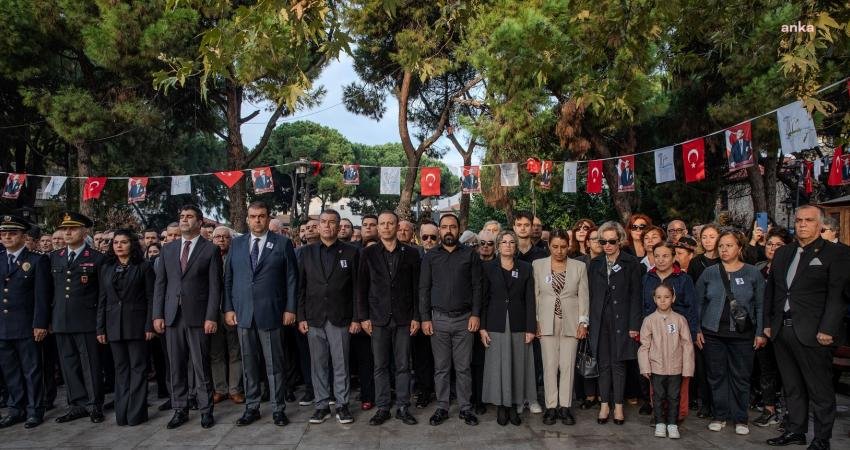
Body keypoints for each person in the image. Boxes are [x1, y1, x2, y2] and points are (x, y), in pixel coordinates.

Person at [764, 206, 850, 449]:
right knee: (792, 386)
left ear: (820, 224)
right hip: (782, 330)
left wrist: (828, 329)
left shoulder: (836, 253)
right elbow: (772, 290)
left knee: (820, 389)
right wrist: (768, 324)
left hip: (815, 333)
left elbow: (838, 296)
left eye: (808, 220)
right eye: (799, 220)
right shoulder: (783, 253)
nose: (802, 224)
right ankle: (795, 431)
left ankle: (822, 439)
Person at [224, 201, 298, 427]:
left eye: (261, 216)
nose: (257, 220)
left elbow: (292, 280)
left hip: (272, 312)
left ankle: (278, 408)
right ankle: (252, 407)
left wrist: (290, 308)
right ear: (247, 218)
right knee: (249, 364)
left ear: (268, 217)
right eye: (253, 216)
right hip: (243, 314)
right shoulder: (236, 245)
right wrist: (228, 308)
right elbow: (228, 279)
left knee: (275, 364)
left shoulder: (282, 243)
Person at [153, 205, 222, 430]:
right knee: (176, 366)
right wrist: (158, 314)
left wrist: (211, 316)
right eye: (181, 216)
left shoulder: (210, 250)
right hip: (172, 315)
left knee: (200, 364)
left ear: (199, 222)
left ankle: (205, 410)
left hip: (199, 317)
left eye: (189, 217)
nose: (184, 220)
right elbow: (160, 285)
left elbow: (215, 288)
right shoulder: (168, 249)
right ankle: (180, 409)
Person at [695, 231, 765, 436]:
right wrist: (697, 329)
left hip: (743, 335)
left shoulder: (753, 273)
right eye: (721, 246)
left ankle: (741, 418)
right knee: (716, 376)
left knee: (741, 376)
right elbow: (698, 303)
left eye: (729, 245)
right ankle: (719, 416)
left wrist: (760, 332)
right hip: (713, 333)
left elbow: (761, 306)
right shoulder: (709, 272)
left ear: (739, 248)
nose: (724, 250)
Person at [297, 209, 360, 425]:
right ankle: (322, 405)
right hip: (314, 317)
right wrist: (301, 316)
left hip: (341, 317)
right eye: (323, 222)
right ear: (318, 225)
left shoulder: (352, 252)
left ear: (338, 225)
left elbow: (357, 289)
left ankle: (342, 405)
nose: (327, 226)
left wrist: (356, 318)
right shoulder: (306, 252)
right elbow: (301, 287)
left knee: (341, 364)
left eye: (332, 222)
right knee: (318, 364)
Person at [358, 211, 420, 426]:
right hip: (377, 318)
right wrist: (363, 317)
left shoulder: (411, 254)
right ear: (378, 227)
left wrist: (416, 317)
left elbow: (416, 288)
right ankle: (383, 407)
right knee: (380, 365)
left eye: (390, 223)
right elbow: (361, 288)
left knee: (403, 365)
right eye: (382, 224)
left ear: (396, 226)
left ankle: (403, 406)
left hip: (404, 318)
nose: (385, 227)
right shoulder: (368, 253)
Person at [420, 213, 482, 426]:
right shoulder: (430, 256)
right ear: (439, 230)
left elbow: (477, 287)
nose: (448, 230)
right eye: (444, 227)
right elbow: (424, 289)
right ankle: (442, 407)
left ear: (458, 229)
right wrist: (425, 318)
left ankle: (465, 408)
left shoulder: (470, 255)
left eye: (452, 227)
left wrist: (475, 314)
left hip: (465, 319)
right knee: (441, 367)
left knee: (463, 367)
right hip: (438, 320)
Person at [50, 212, 106, 424]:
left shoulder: (96, 258)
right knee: (68, 364)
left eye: (72, 228)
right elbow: (50, 292)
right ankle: (77, 404)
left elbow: (102, 294)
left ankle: (94, 404)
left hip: (86, 319)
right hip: (61, 320)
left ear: (84, 231)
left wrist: (100, 324)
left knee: (90, 364)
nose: (68, 232)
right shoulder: (55, 257)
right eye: (65, 229)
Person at [96, 229, 155, 426]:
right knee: (121, 369)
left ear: (132, 245)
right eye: (116, 242)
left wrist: (149, 325)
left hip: (137, 325)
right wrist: (100, 329)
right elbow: (102, 301)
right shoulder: (107, 268)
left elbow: (150, 298)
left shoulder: (144, 267)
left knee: (138, 368)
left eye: (123, 242)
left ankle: (136, 413)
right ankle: (122, 413)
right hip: (113, 326)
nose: (119, 245)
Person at [479, 231, 536, 426]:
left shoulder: (526, 268)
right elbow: (483, 299)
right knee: (497, 366)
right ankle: (501, 407)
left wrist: (531, 328)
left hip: (519, 323)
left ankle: (513, 406)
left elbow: (530, 300)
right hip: (495, 323)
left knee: (518, 365)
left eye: (512, 242)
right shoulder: (487, 268)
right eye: (504, 242)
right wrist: (482, 328)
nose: (508, 245)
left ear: (516, 246)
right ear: (497, 245)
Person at [588, 221, 641, 425]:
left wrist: (634, 325)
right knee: (603, 364)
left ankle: (618, 405)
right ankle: (604, 405)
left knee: (619, 363)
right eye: (603, 241)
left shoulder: (631, 263)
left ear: (620, 240)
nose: (607, 245)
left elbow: (636, 296)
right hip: (600, 319)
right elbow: (590, 295)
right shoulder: (595, 264)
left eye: (611, 241)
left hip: (622, 319)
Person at [533, 229, 588, 426]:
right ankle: (550, 406)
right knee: (549, 366)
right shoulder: (538, 265)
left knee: (567, 365)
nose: (559, 250)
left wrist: (583, 322)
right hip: (546, 321)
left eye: (563, 247)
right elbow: (535, 295)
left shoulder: (579, 266)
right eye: (555, 246)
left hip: (571, 322)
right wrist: (536, 321)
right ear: (549, 246)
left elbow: (583, 295)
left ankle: (565, 407)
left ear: (569, 246)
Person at [0, 215, 50, 429]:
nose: (7, 237)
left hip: (26, 325)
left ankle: (34, 410)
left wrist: (40, 323)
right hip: (3, 326)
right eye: (4, 233)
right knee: (10, 371)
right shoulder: (0, 258)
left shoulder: (37, 260)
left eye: (13, 233)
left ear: (23, 235)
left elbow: (42, 296)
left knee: (32, 370)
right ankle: (15, 409)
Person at [641, 243, 700, 420]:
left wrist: (694, 330)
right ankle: (659, 413)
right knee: (656, 375)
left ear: (674, 257)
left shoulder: (683, 278)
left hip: (678, 331)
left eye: (665, 256)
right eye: (657, 256)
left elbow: (692, 307)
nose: (660, 259)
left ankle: (677, 415)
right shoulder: (647, 278)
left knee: (679, 377)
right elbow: (641, 304)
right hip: (654, 331)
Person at [638, 282, 694, 440]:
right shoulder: (649, 320)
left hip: (676, 367)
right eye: (659, 297)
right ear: (654, 299)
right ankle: (660, 423)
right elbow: (644, 346)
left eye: (667, 297)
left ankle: (673, 424)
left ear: (673, 298)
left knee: (674, 397)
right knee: (658, 396)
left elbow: (687, 345)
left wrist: (687, 369)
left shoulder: (680, 320)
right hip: (657, 367)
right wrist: (645, 366)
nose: (663, 300)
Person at [752, 228, 792, 429]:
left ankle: (789, 414)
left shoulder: (792, 268)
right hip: (762, 328)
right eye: (770, 244)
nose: (773, 248)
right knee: (766, 371)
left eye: (778, 245)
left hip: (784, 328)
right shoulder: (758, 268)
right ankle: (769, 410)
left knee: (788, 373)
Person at [686, 224, 720, 418]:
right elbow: (692, 295)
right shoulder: (696, 262)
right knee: (703, 367)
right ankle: (705, 404)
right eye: (704, 237)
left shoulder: (727, 261)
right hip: (701, 320)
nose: (708, 240)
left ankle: (720, 405)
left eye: (712, 236)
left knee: (719, 367)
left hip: (722, 320)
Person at [210, 226, 244, 405]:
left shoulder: (237, 257)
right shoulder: (206, 257)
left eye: (225, 237)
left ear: (231, 240)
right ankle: (220, 389)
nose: (222, 240)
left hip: (233, 310)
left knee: (235, 350)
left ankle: (234, 389)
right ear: (212, 239)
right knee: (216, 353)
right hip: (213, 312)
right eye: (218, 237)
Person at [413, 221, 438, 408]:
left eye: (433, 237)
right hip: (418, 315)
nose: (429, 240)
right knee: (421, 357)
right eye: (425, 237)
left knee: (442, 358)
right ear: (419, 237)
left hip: (441, 314)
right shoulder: (414, 256)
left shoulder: (444, 256)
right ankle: (424, 391)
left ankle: (442, 390)